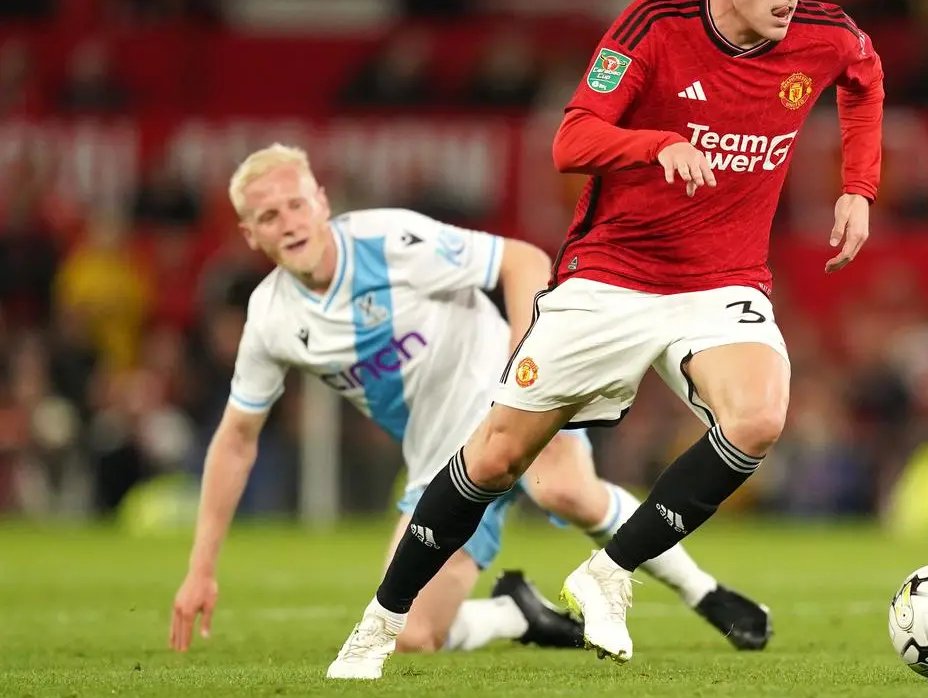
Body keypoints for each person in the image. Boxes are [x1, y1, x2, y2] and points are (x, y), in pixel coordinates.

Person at [327, 0, 882, 678]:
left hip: (721, 281)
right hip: (612, 277)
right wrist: (654, 144)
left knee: (758, 418)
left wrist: (858, 186)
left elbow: (864, 78)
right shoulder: (653, 26)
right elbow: (572, 138)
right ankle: (378, 627)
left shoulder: (825, 35)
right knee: (494, 459)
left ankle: (609, 571)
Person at [168, 144, 772, 658]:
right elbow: (236, 439)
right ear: (249, 234)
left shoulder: (387, 239)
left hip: (510, 401)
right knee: (413, 636)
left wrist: (524, 376)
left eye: (296, 204)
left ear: (322, 201)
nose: (289, 222)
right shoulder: (270, 321)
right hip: (442, 462)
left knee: (563, 486)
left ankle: (704, 592)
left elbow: (522, 260)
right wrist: (200, 569)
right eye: (268, 216)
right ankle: (516, 616)